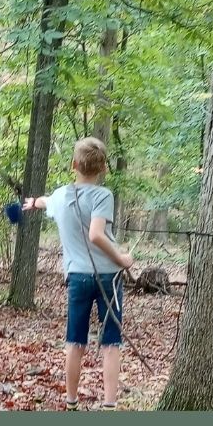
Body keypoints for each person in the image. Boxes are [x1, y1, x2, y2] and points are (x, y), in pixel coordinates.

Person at [23, 137, 135, 411]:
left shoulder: (61, 195)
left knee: (75, 340)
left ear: (74, 164)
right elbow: (96, 234)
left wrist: (34, 202)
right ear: (103, 169)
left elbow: (47, 201)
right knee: (111, 342)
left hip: (76, 278)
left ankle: (71, 402)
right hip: (108, 277)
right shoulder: (102, 196)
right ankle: (109, 405)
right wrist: (123, 259)